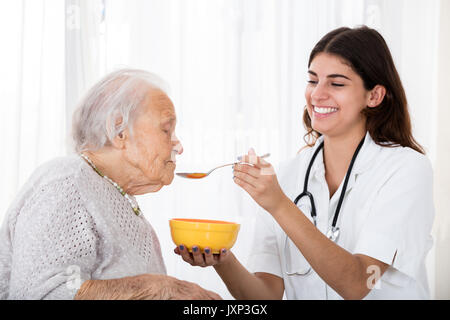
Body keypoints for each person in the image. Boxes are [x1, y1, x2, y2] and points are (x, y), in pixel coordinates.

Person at [175, 26, 435, 299]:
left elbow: (359, 283)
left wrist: (279, 205)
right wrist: (221, 259)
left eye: (336, 83)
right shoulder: (286, 177)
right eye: (312, 81)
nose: (317, 95)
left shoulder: (406, 170)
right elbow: (266, 295)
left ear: (374, 96)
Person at [0, 69, 221, 300]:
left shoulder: (113, 193)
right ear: (119, 130)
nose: (179, 146)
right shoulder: (66, 183)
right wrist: (160, 288)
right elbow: (45, 294)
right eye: (166, 129)